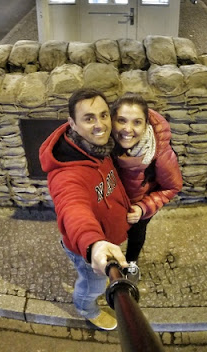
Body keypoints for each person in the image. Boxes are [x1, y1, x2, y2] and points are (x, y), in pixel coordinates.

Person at [39, 88, 130, 331]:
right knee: (94, 285)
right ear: (73, 124)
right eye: (89, 118)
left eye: (103, 115)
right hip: (86, 248)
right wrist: (94, 244)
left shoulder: (100, 148)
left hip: (108, 237)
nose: (100, 125)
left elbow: (111, 184)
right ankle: (86, 308)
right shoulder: (66, 174)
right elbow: (72, 208)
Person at [110, 93, 183, 268]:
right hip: (112, 206)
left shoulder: (159, 152)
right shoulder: (102, 144)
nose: (128, 129)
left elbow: (172, 186)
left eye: (136, 122)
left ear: (145, 125)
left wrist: (144, 208)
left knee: (136, 236)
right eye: (121, 120)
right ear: (112, 121)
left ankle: (131, 265)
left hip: (139, 207)